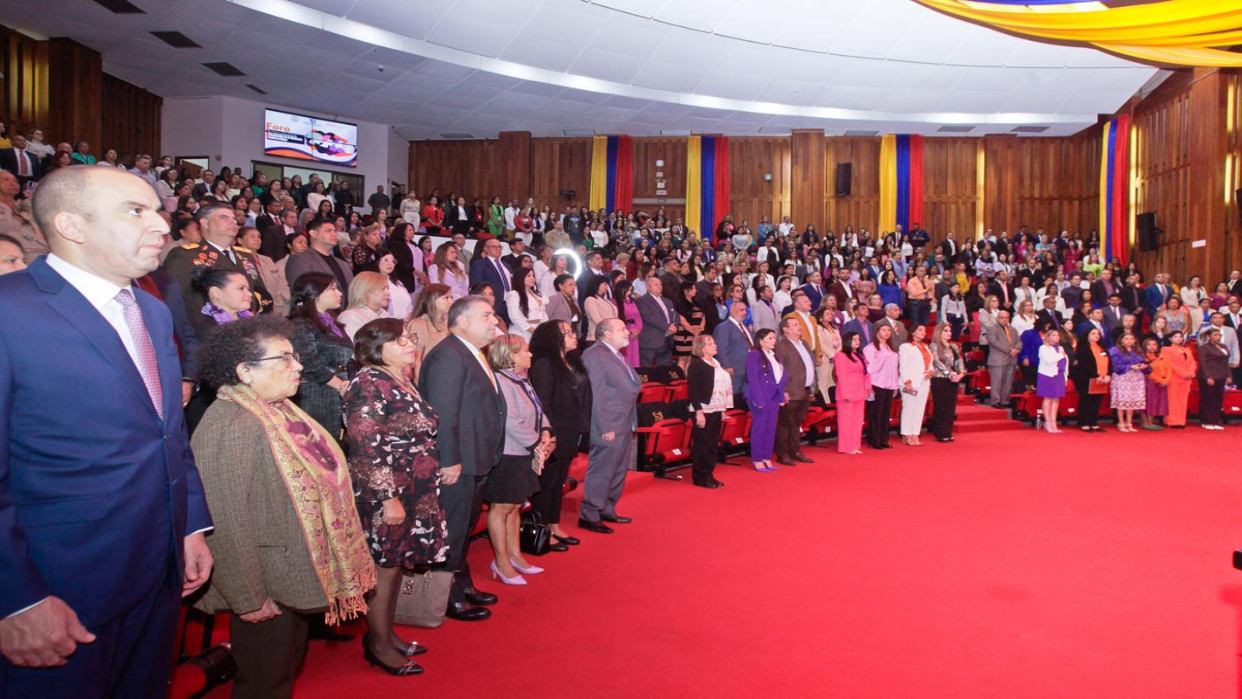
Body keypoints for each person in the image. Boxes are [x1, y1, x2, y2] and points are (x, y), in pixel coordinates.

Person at [0, 167, 212, 697]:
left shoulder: (151, 310)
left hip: (156, 573)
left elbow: (169, 434)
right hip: (59, 588)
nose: (161, 226)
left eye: (158, 211)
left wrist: (190, 527)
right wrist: (15, 598)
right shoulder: (10, 309)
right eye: (135, 211)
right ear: (73, 224)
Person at [191, 317, 375, 696]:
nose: (299, 366)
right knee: (264, 683)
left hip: (290, 574)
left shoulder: (279, 411)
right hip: (263, 582)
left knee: (283, 669)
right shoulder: (231, 422)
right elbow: (224, 520)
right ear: (245, 370)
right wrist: (247, 597)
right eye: (285, 359)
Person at [343, 318, 446, 675]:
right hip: (387, 490)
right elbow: (366, 445)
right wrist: (388, 498)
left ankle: (387, 634)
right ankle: (379, 645)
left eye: (409, 338)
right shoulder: (368, 383)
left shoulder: (399, 378)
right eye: (399, 340)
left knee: (396, 562)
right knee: (383, 569)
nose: (408, 344)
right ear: (376, 347)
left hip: (413, 487)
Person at [418, 295, 506, 621]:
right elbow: (443, 413)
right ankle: (447, 595)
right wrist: (448, 459)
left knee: (465, 525)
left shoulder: (469, 352)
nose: (494, 321)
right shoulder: (449, 356)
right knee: (453, 528)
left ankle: (462, 582)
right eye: (487, 315)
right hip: (459, 462)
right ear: (464, 320)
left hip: (476, 457)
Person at [486, 334, 552, 584]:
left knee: (515, 506)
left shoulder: (521, 380)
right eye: (525, 350)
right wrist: (536, 442)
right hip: (509, 453)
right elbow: (511, 419)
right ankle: (501, 562)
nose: (531, 354)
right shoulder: (502, 381)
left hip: (525, 450)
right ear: (511, 355)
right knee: (502, 507)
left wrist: (545, 431)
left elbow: (537, 409)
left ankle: (515, 556)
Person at [528, 320, 590, 550]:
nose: (574, 335)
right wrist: (549, 433)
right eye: (567, 332)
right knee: (547, 482)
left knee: (558, 482)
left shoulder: (572, 361)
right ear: (553, 338)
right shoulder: (544, 364)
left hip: (571, 429)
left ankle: (553, 523)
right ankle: (541, 529)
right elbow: (543, 403)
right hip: (553, 432)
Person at [578, 318, 641, 533]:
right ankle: (590, 513)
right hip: (607, 424)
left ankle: (607, 508)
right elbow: (596, 394)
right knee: (603, 469)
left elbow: (629, 390)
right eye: (621, 328)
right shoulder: (595, 355)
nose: (627, 331)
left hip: (623, 421)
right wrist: (605, 427)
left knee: (618, 469)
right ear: (605, 333)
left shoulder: (615, 354)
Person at [286, 272, 353, 440]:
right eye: (333, 289)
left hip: (337, 391)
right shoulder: (300, 323)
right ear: (315, 294)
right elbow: (307, 360)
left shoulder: (331, 321)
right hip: (316, 393)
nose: (340, 293)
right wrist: (339, 384)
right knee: (322, 445)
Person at [687, 334, 733, 488]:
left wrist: (722, 409)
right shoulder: (696, 365)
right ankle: (700, 477)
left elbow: (721, 387)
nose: (714, 345)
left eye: (714, 342)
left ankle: (709, 474)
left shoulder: (716, 363)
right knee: (703, 444)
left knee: (713, 444)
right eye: (710, 343)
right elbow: (692, 390)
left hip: (716, 409)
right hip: (703, 409)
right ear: (702, 348)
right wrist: (699, 412)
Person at [773, 316, 815, 465]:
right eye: (795, 324)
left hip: (804, 389)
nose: (799, 327)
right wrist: (782, 390)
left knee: (797, 422)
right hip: (790, 390)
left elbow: (810, 365)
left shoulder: (804, 343)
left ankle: (795, 451)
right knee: (785, 423)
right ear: (785, 329)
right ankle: (783, 454)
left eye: (799, 324)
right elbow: (778, 370)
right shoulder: (780, 345)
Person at [745, 328, 788, 469]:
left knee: (770, 428)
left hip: (774, 396)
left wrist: (781, 396)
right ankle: (757, 458)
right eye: (770, 338)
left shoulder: (775, 356)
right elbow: (753, 379)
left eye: (774, 338)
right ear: (760, 340)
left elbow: (781, 377)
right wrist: (758, 399)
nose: (773, 341)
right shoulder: (754, 355)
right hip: (761, 396)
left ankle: (766, 457)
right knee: (760, 428)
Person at [833, 331, 871, 454]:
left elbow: (866, 373)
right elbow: (841, 375)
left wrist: (867, 388)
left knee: (857, 420)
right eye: (854, 339)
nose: (857, 342)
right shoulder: (841, 355)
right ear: (847, 341)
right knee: (846, 421)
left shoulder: (859, 355)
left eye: (858, 339)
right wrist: (845, 393)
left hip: (860, 391)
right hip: (848, 392)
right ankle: (845, 447)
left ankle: (855, 445)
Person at [863, 323, 899, 449]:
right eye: (884, 329)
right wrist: (869, 385)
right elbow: (869, 368)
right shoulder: (871, 348)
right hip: (877, 383)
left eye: (888, 330)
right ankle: (874, 440)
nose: (887, 332)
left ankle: (884, 439)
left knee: (885, 413)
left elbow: (894, 368)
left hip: (889, 384)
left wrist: (895, 384)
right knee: (875, 413)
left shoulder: (890, 348)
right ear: (877, 331)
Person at [896, 324, 933, 446]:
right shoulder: (905, 347)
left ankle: (915, 433)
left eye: (924, 330)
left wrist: (931, 371)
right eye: (920, 330)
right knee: (909, 407)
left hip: (924, 381)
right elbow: (903, 365)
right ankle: (906, 434)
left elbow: (930, 362)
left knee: (919, 408)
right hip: (910, 383)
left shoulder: (926, 347)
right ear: (913, 332)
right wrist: (907, 382)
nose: (923, 332)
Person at [928, 323, 965, 442]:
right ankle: (940, 432)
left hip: (953, 379)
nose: (949, 333)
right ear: (939, 332)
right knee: (941, 406)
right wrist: (949, 374)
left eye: (949, 330)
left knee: (950, 407)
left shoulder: (953, 346)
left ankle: (948, 431)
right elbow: (936, 362)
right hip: (939, 379)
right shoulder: (933, 345)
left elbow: (959, 361)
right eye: (945, 330)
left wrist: (961, 374)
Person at [406, 283, 453, 372]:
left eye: (451, 297)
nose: (451, 301)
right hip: (430, 374)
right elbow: (416, 361)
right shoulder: (419, 324)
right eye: (446, 298)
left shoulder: (450, 322)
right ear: (432, 300)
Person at [1071, 327, 1111, 432]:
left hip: (1102, 379)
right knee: (1086, 401)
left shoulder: (1102, 347)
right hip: (1087, 378)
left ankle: (1094, 423)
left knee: (1097, 401)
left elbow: (1109, 362)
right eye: (1093, 333)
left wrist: (1108, 374)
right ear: (1087, 335)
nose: (1096, 336)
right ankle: (1084, 422)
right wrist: (1095, 375)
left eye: (1098, 334)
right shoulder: (1083, 347)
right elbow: (1084, 364)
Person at [714, 299, 753, 400]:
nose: (745, 313)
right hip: (734, 369)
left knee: (744, 398)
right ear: (733, 311)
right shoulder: (723, 327)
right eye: (742, 310)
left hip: (748, 367)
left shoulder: (744, 326)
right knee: (733, 396)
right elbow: (721, 348)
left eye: (745, 310)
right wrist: (726, 366)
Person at [1109, 332, 1148, 433]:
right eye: (1126, 338)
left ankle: (1129, 422)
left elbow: (1144, 362)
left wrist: (1144, 366)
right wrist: (1130, 367)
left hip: (1136, 378)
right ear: (1121, 340)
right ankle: (1121, 422)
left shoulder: (1138, 351)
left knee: (1132, 401)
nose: (1129, 341)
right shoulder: (1115, 350)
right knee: (1123, 400)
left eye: (1131, 338)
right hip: (1122, 377)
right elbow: (1115, 366)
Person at [636, 276, 679, 366]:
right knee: (647, 370)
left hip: (666, 340)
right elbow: (649, 317)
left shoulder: (668, 301)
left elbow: (675, 315)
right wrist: (667, 326)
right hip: (650, 342)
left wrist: (675, 326)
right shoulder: (642, 301)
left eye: (660, 284)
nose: (659, 286)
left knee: (666, 371)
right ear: (648, 287)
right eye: (656, 284)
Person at [337, 271, 392, 340]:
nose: (388, 292)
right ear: (366, 291)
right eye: (383, 288)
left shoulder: (385, 315)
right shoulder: (350, 317)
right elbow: (359, 348)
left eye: (388, 288)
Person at [1160, 331, 1197, 429]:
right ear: (1170, 339)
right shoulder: (1166, 349)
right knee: (1172, 400)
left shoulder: (1187, 349)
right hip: (1173, 377)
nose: (1179, 339)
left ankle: (1181, 421)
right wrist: (1184, 373)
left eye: (1180, 337)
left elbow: (1192, 362)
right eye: (1175, 337)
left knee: (1183, 400)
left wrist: (1191, 372)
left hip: (1186, 379)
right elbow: (1170, 363)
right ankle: (1171, 421)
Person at [984, 310, 1021, 408]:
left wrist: (1016, 349)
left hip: (1011, 359)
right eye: (1002, 317)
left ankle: (1005, 400)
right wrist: (1009, 350)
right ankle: (995, 401)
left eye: (1006, 317)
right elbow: (994, 342)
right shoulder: (992, 329)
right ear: (997, 318)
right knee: (997, 382)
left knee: (1008, 381)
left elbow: (1019, 341)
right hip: (997, 360)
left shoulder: (1013, 330)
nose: (1004, 319)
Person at [1197, 327, 1231, 430]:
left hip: (1221, 375)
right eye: (1215, 335)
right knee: (1208, 398)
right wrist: (1208, 376)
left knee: (1218, 399)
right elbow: (1203, 363)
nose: (1218, 337)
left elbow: (1226, 362)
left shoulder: (1223, 346)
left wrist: (1229, 375)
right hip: (1209, 375)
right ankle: (1206, 421)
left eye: (1219, 335)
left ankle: (1215, 420)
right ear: (1209, 336)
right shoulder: (1204, 347)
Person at [1035, 328, 1068, 433]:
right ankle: (1048, 422)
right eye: (1053, 335)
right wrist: (1060, 355)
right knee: (1048, 398)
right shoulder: (1043, 348)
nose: (1056, 337)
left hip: (1059, 375)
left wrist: (1065, 376)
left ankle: (1054, 422)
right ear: (1048, 337)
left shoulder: (1061, 348)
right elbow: (1049, 360)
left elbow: (1065, 362)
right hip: (1047, 375)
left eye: (1058, 335)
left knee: (1056, 399)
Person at [505, 266, 547, 341]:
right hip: (521, 333)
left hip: (538, 332)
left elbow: (544, 315)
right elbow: (515, 317)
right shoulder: (514, 294)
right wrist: (532, 330)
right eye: (529, 276)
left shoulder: (537, 295)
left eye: (533, 276)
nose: (532, 278)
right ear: (520, 278)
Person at [1139, 336, 1170, 431]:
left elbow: (1169, 369)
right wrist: (1159, 380)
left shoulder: (1161, 356)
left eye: (1154, 344)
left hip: (1162, 382)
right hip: (1149, 382)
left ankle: (1151, 421)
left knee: (1156, 402)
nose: (1152, 347)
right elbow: (1147, 372)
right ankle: (1145, 422)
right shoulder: (1142, 357)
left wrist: (1166, 380)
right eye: (1149, 344)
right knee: (1147, 402)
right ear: (1145, 346)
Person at [616, 279, 644, 367]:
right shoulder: (615, 302)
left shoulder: (632, 302)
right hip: (624, 332)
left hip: (634, 333)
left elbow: (638, 317)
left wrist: (638, 330)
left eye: (631, 290)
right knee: (625, 356)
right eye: (627, 290)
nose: (629, 292)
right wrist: (628, 331)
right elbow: (617, 319)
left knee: (634, 357)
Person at [584, 276, 617, 342]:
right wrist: (610, 330)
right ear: (596, 284)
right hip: (596, 338)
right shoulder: (590, 300)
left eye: (607, 284)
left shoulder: (606, 300)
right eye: (604, 284)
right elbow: (597, 320)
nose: (606, 287)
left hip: (609, 337)